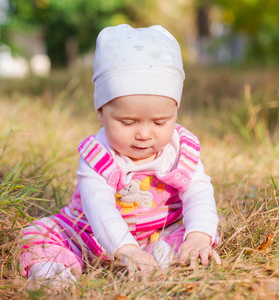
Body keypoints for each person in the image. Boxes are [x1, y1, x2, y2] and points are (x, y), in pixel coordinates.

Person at [20, 24, 221, 290]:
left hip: (159, 230)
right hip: (91, 233)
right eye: (128, 122)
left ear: (175, 112)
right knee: (40, 234)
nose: (145, 134)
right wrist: (124, 248)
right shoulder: (98, 155)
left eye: (160, 122)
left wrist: (198, 236)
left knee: (200, 230)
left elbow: (198, 192)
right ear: (101, 112)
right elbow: (99, 206)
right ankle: (55, 271)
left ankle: (162, 256)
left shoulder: (180, 150)